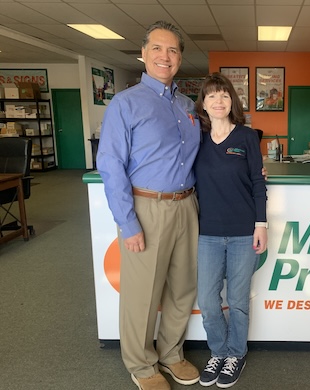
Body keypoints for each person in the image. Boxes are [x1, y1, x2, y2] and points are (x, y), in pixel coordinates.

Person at [96, 21, 200, 390]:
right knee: (142, 295)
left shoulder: (188, 105)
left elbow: (201, 158)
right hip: (147, 209)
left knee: (183, 288)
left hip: (188, 206)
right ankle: (142, 365)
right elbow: (110, 165)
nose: (165, 56)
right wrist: (129, 222)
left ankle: (171, 354)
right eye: (157, 48)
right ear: (143, 54)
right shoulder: (125, 103)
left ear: (180, 58)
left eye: (172, 50)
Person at [193, 73, 268, 388]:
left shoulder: (248, 137)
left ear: (231, 102)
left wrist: (261, 224)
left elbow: (257, 182)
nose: (218, 101)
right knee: (208, 301)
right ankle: (218, 351)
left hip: (242, 232)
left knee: (237, 300)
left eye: (224, 95)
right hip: (207, 233)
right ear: (204, 104)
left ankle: (235, 354)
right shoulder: (196, 139)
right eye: (212, 96)